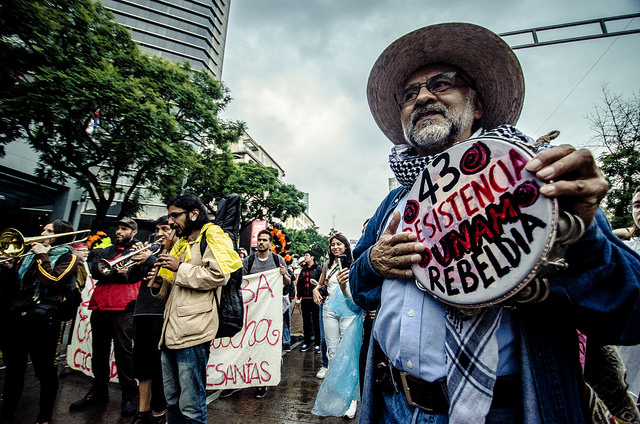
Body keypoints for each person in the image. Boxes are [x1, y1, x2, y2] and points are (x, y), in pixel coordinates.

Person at [350, 22, 640, 423]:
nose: (423, 97)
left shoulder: (537, 182)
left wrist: (581, 238)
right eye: (409, 94)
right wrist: (372, 263)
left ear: (477, 106)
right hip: (393, 406)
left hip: (502, 411)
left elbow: (629, 312)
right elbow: (360, 288)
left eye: (441, 84)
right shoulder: (395, 202)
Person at [148, 194, 242, 424]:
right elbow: (175, 288)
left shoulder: (212, 236)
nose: (170, 222)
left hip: (194, 331)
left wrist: (180, 267)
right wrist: (160, 284)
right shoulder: (181, 243)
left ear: (193, 214)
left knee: (190, 405)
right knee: (172, 399)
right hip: (170, 332)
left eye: (174, 216)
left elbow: (218, 275)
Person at [0, 220, 79, 424]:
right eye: (44, 229)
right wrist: (8, 268)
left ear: (61, 235)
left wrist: (42, 255)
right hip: (18, 320)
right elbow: (15, 288)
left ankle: (44, 417)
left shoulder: (68, 257)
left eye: (49, 231)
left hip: (43, 321)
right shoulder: (26, 258)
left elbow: (51, 281)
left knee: (44, 372)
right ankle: (7, 415)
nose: (42, 232)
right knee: (14, 372)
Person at [70, 217, 141, 418]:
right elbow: (95, 270)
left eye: (124, 228)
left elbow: (133, 274)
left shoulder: (138, 250)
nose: (119, 231)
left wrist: (114, 273)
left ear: (133, 232)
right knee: (99, 353)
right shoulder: (108, 250)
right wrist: (115, 273)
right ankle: (98, 392)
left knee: (124, 353)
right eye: (118, 228)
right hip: (100, 304)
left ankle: (130, 396)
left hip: (124, 307)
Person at [220, 229, 290, 400]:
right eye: (259, 239)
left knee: (265, 345)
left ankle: (261, 381)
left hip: (270, 312)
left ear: (270, 244)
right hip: (251, 310)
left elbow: (287, 283)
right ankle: (235, 382)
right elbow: (241, 283)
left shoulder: (277, 260)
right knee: (242, 343)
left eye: (265, 240)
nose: (261, 242)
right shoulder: (248, 261)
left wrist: (283, 275)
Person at [126, 216, 175, 423]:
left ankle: (159, 410)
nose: (160, 233)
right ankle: (142, 411)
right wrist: (136, 259)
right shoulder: (151, 251)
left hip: (162, 314)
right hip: (142, 313)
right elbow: (131, 277)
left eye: (165, 229)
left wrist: (147, 258)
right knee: (141, 365)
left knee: (158, 366)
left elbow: (174, 273)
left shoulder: (176, 252)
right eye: (158, 229)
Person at [312, 233, 362, 419]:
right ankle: (335, 397)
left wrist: (343, 287)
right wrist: (316, 289)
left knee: (348, 354)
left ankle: (351, 400)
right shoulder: (327, 265)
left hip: (348, 309)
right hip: (329, 310)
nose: (335, 247)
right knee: (332, 353)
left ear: (346, 246)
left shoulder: (354, 264)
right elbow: (322, 284)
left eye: (339, 244)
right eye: (333, 244)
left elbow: (355, 291)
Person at [296, 250, 322, 353]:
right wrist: (298, 299)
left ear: (312, 257)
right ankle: (306, 342)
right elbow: (299, 285)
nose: (305, 258)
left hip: (315, 299)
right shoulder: (303, 270)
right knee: (306, 322)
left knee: (316, 321)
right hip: (305, 300)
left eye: (306, 256)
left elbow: (322, 283)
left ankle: (317, 344)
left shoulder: (318, 269)